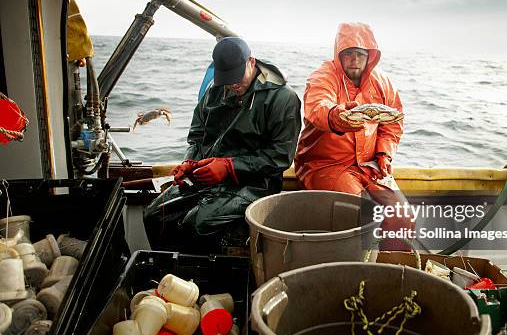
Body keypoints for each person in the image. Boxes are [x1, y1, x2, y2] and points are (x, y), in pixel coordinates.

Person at [144, 37, 302, 253]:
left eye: (237, 77)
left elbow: (280, 156)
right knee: (154, 214)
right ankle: (169, 278)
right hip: (208, 176)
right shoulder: (215, 88)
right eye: (227, 79)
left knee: (198, 223)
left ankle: (200, 283)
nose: (233, 84)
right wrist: (190, 161)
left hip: (255, 183)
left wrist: (229, 166)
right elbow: (197, 133)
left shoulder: (283, 98)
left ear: (251, 62)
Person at [294, 22, 410, 250]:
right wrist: (339, 117)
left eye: (359, 54)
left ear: (370, 56)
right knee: (360, 212)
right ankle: (353, 271)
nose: (354, 60)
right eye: (348, 54)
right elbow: (318, 107)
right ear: (339, 55)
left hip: (369, 165)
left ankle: (391, 269)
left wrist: (384, 153)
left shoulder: (382, 82)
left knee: (402, 216)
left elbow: (394, 123)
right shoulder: (323, 76)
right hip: (326, 165)